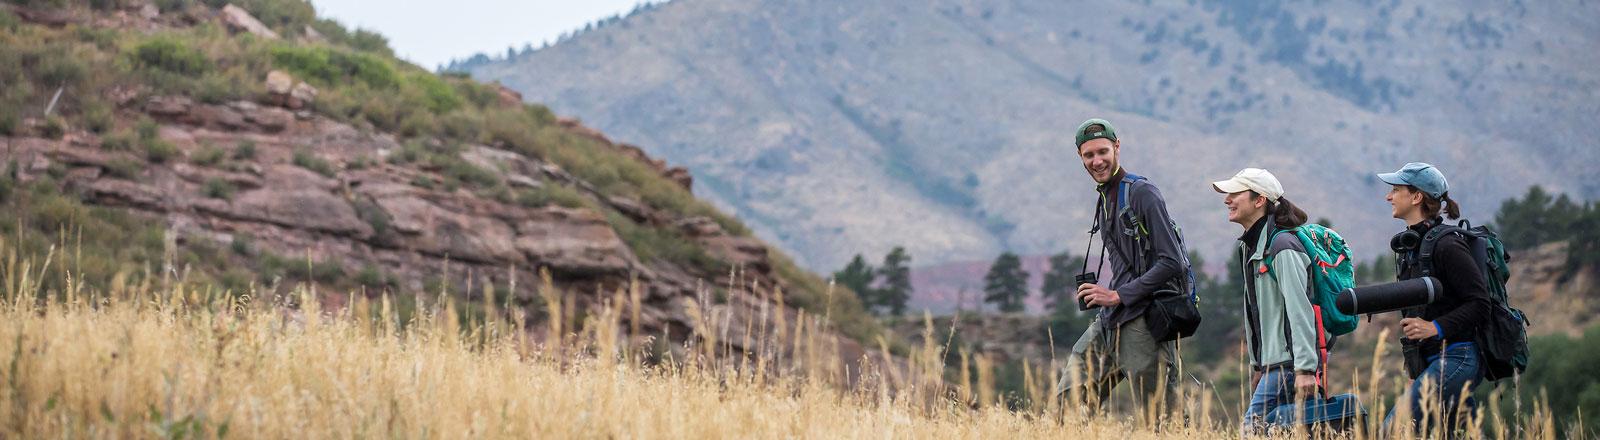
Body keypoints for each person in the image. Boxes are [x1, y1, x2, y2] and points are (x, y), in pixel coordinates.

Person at [1054, 118, 1185, 422]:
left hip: (1145, 322)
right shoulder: (1105, 197)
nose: (1097, 161)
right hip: (1111, 320)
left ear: (1117, 147)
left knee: (1161, 421)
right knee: (1068, 406)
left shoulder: (1142, 193)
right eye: (1089, 155)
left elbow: (1172, 261)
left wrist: (1116, 295)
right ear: (1080, 157)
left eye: (1103, 152)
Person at [1377, 162, 1492, 436]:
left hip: (1458, 356)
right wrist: (1415, 374)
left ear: (1416, 197)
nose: (1388, 197)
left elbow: (1480, 303)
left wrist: (1435, 327)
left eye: (1395, 190)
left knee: (1391, 431)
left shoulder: (1447, 245)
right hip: (1431, 360)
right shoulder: (1412, 249)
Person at [1212, 168, 1321, 432]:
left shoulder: (1282, 246)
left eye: (1235, 193)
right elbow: (1257, 312)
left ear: (1259, 200)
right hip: (1273, 367)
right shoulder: (1251, 247)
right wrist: (1259, 365)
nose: (1227, 199)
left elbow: (1300, 309)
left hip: (1288, 366)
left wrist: (1305, 369)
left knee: (1251, 429)